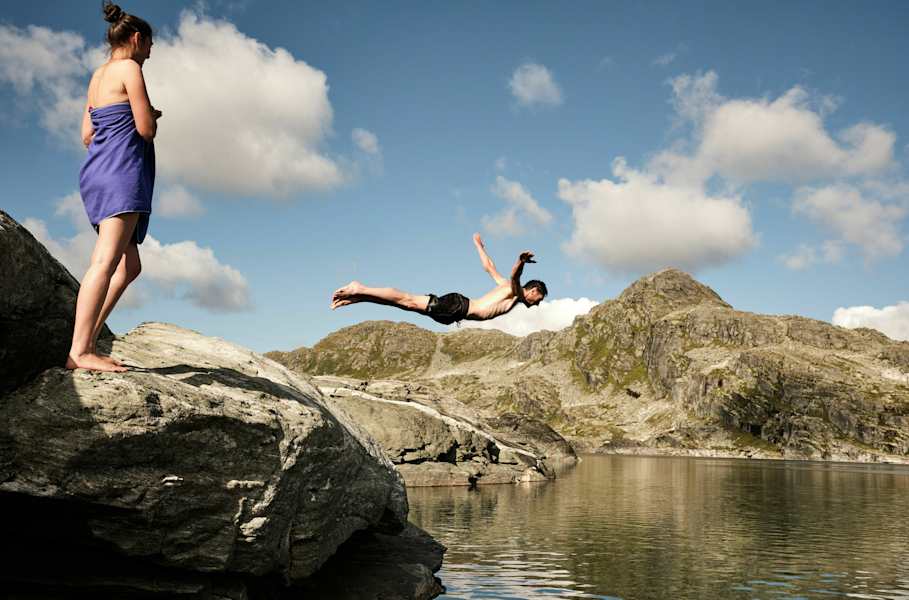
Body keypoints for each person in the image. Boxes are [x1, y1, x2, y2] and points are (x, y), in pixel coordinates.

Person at [66, 2, 160, 372]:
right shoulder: (129, 69)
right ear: (137, 39)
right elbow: (145, 130)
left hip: (96, 173)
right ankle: (79, 351)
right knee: (105, 262)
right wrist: (152, 115)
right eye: (150, 46)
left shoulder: (98, 75)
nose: (150, 53)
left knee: (129, 266)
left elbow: (87, 134)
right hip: (123, 173)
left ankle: (88, 340)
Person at [331, 233, 548, 325]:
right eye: (537, 299)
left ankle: (361, 296)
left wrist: (478, 246)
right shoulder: (515, 292)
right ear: (531, 291)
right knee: (407, 300)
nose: (536, 303)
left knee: (406, 305)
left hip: (456, 310)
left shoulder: (505, 288)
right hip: (458, 307)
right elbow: (515, 276)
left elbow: (489, 267)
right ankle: (360, 288)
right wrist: (520, 261)